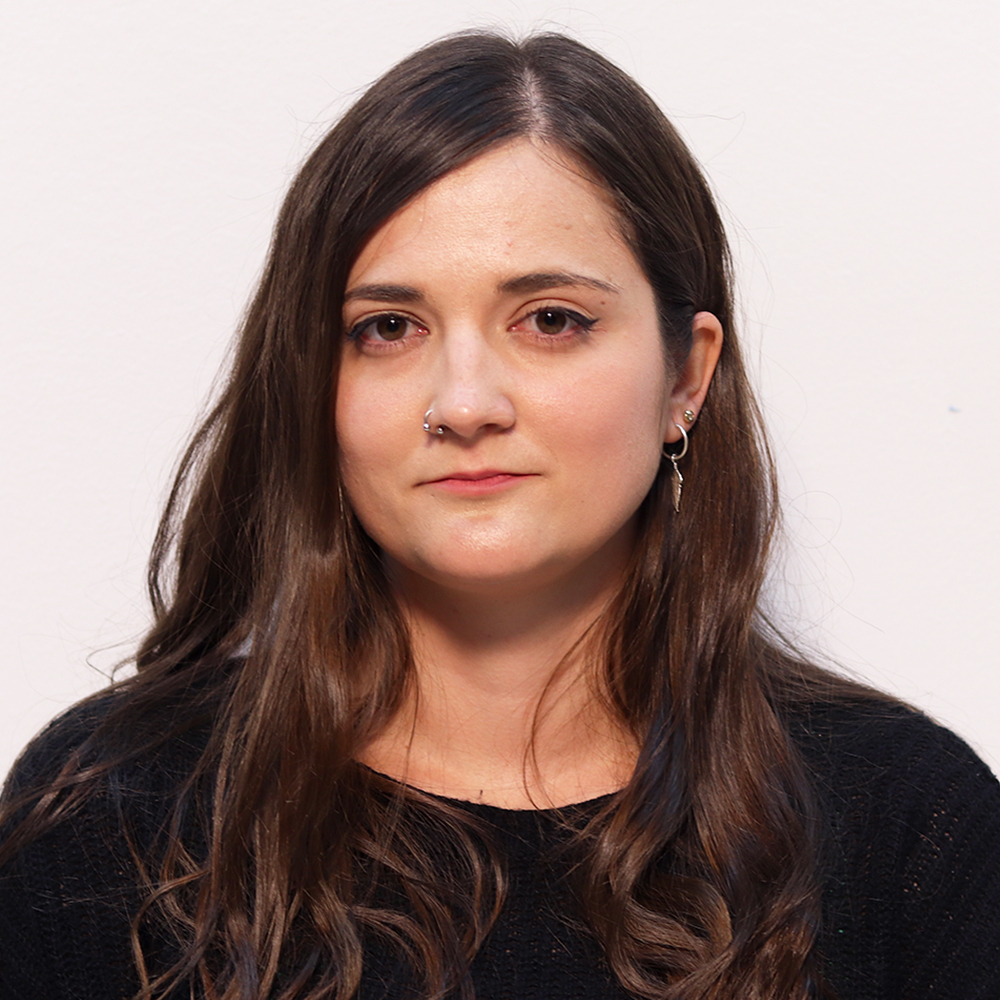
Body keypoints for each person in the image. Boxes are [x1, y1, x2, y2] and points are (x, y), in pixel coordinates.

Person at [1, 30, 998, 1000]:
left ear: (686, 378)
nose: (465, 402)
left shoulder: (910, 823)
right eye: (387, 328)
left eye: (551, 320)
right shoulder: (109, 813)